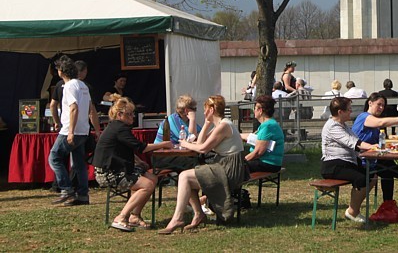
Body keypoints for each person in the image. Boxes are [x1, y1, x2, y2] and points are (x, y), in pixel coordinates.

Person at [159, 95, 248, 233]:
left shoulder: (223, 126)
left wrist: (184, 143)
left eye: (205, 109)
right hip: (223, 165)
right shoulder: (219, 125)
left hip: (229, 169)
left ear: (211, 110)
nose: (203, 112)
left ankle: (179, 218)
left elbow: (202, 149)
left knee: (184, 176)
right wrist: (206, 124)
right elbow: (200, 142)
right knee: (186, 177)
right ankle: (197, 214)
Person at [93, 97, 173, 231]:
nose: (132, 117)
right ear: (119, 115)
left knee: (152, 178)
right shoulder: (120, 128)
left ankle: (134, 216)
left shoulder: (116, 127)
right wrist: (165, 144)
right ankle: (121, 217)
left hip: (117, 169)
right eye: (129, 114)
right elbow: (141, 147)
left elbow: (123, 149)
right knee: (147, 185)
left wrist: (139, 161)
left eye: (133, 113)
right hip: (108, 173)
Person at [48, 55, 101, 206]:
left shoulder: (69, 86)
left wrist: (70, 131)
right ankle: (83, 195)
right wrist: (95, 130)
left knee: (54, 157)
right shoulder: (83, 85)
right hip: (84, 130)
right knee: (79, 163)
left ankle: (66, 188)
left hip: (70, 130)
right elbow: (91, 110)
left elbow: (73, 108)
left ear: (61, 71)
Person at [352, 93, 398, 219]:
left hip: (372, 156)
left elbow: (380, 141)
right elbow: (382, 122)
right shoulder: (365, 117)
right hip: (360, 158)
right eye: (379, 104)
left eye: (383, 106)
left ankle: (388, 203)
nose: (381, 108)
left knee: (387, 170)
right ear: (370, 103)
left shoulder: (373, 120)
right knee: (387, 169)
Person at [321, 96, 377, 223]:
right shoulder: (333, 126)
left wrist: (371, 148)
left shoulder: (343, 125)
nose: (351, 112)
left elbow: (358, 142)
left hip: (345, 163)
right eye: (349, 109)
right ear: (340, 112)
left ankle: (353, 210)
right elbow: (354, 143)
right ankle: (353, 212)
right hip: (333, 166)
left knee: (372, 176)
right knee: (363, 178)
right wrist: (373, 147)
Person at [241, 95, 284, 173]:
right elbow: (253, 137)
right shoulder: (267, 124)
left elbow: (258, 153)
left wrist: (242, 161)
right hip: (266, 162)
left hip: (268, 163)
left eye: (255, 108)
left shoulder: (268, 126)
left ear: (260, 110)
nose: (254, 111)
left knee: (235, 169)